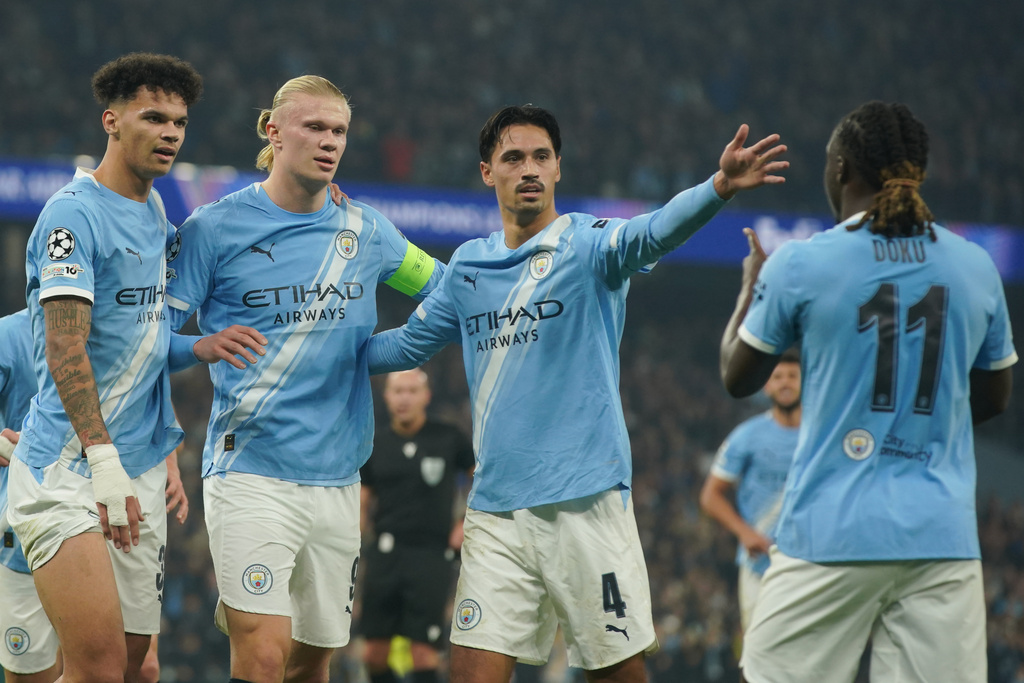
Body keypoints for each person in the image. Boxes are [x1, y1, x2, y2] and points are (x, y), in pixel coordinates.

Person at [367, 104, 787, 683]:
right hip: (496, 512)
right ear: (488, 172)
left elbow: (653, 231)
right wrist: (325, 344)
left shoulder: (588, 245)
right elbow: (408, 345)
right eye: (513, 158)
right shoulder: (468, 267)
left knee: (616, 674)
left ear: (559, 167)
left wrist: (718, 188)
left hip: (584, 501)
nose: (530, 168)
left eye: (542, 156)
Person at [719, 100, 1016, 683]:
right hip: (941, 538)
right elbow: (995, 397)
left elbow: (738, 377)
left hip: (827, 532)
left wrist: (749, 289)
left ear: (840, 170)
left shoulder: (801, 264)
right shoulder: (975, 266)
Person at [163, 75, 446, 683]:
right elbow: (148, 340)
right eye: (314, 127)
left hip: (339, 480)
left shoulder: (366, 230)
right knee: (263, 657)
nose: (329, 142)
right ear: (274, 131)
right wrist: (199, 346)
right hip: (250, 473)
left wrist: (393, 348)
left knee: (312, 662)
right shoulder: (213, 229)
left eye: (338, 131)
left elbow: (444, 291)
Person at [1, 311, 190, 683]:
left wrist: (169, 464)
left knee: (139, 668)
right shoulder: (9, 336)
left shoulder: (122, 326)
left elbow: (151, 406)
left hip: (115, 513)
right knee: (35, 676)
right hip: (33, 518)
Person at [359, 369, 474, 683]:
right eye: (397, 391)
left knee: (423, 652)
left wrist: (465, 522)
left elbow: (480, 477)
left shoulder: (449, 436)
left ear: (426, 395)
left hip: (431, 552)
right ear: (386, 397)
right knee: (373, 654)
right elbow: (362, 499)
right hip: (385, 552)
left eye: (411, 390)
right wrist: (353, 541)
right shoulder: (374, 443)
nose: (404, 398)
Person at [699, 349, 800, 631]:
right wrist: (745, 533)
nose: (785, 383)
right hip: (760, 565)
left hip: (809, 561)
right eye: (777, 376)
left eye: (792, 376)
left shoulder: (821, 437)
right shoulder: (747, 436)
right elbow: (710, 495)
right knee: (756, 655)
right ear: (766, 385)